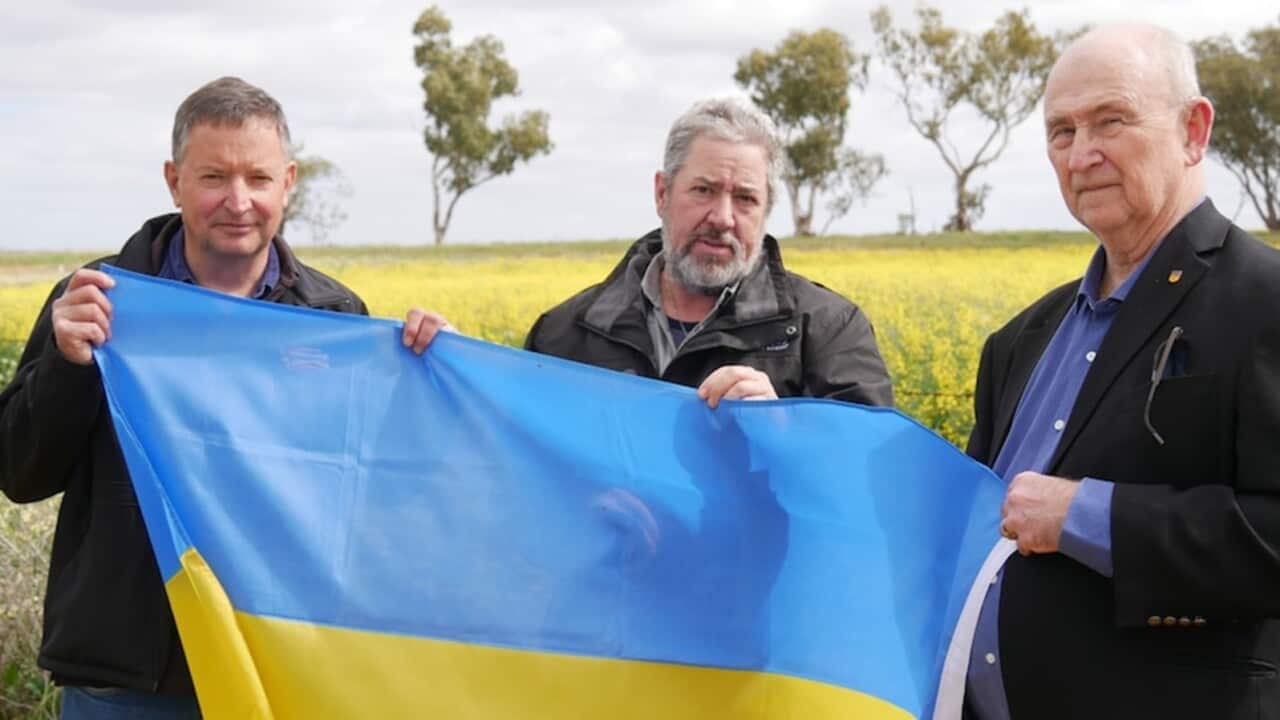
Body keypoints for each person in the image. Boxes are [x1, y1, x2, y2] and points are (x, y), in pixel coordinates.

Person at [0, 77, 447, 719]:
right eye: (214, 177)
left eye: (258, 179)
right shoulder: (97, 299)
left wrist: (439, 382)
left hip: (278, 671)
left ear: (287, 182)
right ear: (173, 180)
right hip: (123, 683)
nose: (238, 201)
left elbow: (368, 495)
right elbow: (20, 474)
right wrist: (67, 369)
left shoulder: (335, 317)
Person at [964, 24, 1280, 719]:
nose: (1083, 154)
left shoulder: (1266, 301)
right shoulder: (1019, 339)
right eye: (1061, 132)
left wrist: (1086, 515)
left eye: (1111, 121)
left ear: (1194, 130)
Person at [525, 98, 893, 408]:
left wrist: (783, 429)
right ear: (662, 194)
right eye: (703, 190)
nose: (722, 218)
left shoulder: (828, 331)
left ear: (766, 211)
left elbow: (864, 477)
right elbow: (524, 471)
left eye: (746, 199)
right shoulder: (563, 337)